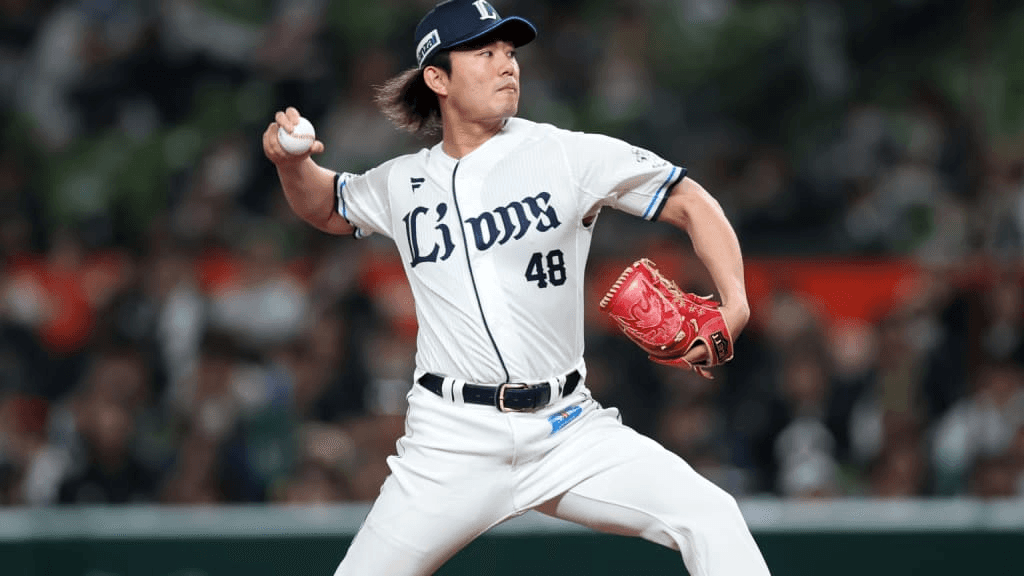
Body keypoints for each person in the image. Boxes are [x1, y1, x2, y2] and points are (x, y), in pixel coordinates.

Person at [262, 1, 771, 574]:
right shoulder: (402, 182)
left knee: (711, 516)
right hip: (451, 441)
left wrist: (735, 301)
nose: (507, 64)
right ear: (438, 79)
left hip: (568, 429)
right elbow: (328, 206)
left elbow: (689, 200)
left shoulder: (565, 154)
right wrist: (290, 165)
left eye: (509, 52)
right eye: (485, 52)